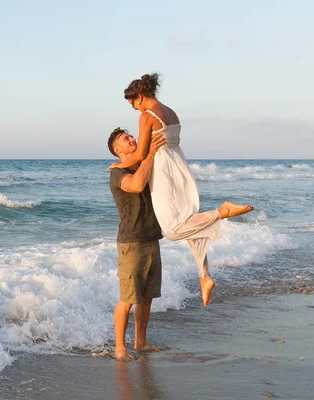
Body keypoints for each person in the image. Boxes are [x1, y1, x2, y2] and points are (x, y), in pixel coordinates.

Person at [109, 73, 254, 306]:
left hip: (164, 170)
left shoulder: (148, 116)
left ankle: (222, 211)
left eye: (133, 103)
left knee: (175, 229)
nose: (135, 109)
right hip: (179, 164)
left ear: (139, 96)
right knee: (189, 222)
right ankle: (204, 276)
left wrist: (118, 164)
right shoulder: (170, 111)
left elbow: (138, 154)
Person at [108, 129, 167, 360]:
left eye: (131, 136)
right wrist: (150, 154)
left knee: (147, 296)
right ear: (117, 150)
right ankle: (120, 348)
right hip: (131, 242)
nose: (132, 139)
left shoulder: (143, 163)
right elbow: (136, 185)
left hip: (152, 237)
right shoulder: (118, 172)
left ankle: (140, 342)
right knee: (128, 299)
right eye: (126, 139)